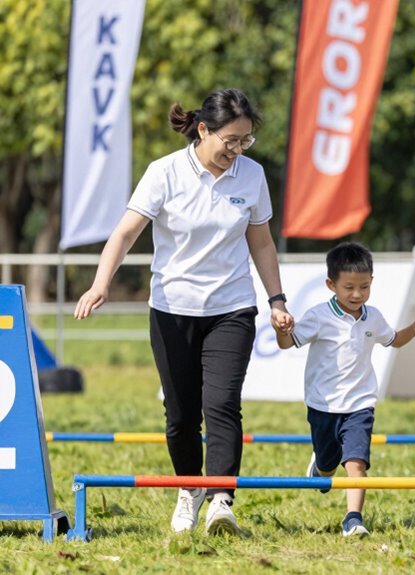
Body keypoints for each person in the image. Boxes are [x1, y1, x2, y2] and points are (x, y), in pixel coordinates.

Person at [74, 88, 293, 536]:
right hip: (172, 309)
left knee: (223, 405)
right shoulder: (164, 173)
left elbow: (262, 242)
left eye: (245, 141)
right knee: (179, 415)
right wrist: (101, 282)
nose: (236, 151)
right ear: (203, 130)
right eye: (230, 141)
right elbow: (124, 234)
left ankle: (220, 501)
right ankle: (189, 489)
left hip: (231, 307)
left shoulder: (251, 177)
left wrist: (276, 300)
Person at [274, 242, 415, 537]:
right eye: (349, 287)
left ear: (372, 282)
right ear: (331, 284)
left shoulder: (372, 317)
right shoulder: (318, 316)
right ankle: (320, 466)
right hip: (323, 405)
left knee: (356, 463)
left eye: (364, 286)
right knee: (326, 469)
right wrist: (280, 329)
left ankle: (353, 519)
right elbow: (287, 343)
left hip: (360, 405)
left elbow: (395, 340)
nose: (357, 294)